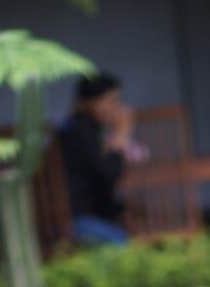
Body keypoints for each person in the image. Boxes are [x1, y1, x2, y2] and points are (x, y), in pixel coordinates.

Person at [58, 73, 147, 247]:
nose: (116, 108)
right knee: (122, 245)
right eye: (110, 101)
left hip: (86, 216)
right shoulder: (81, 132)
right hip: (81, 220)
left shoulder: (79, 128)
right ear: (88, 102)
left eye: (118, 101)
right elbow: (109, 175)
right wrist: (121, 134)